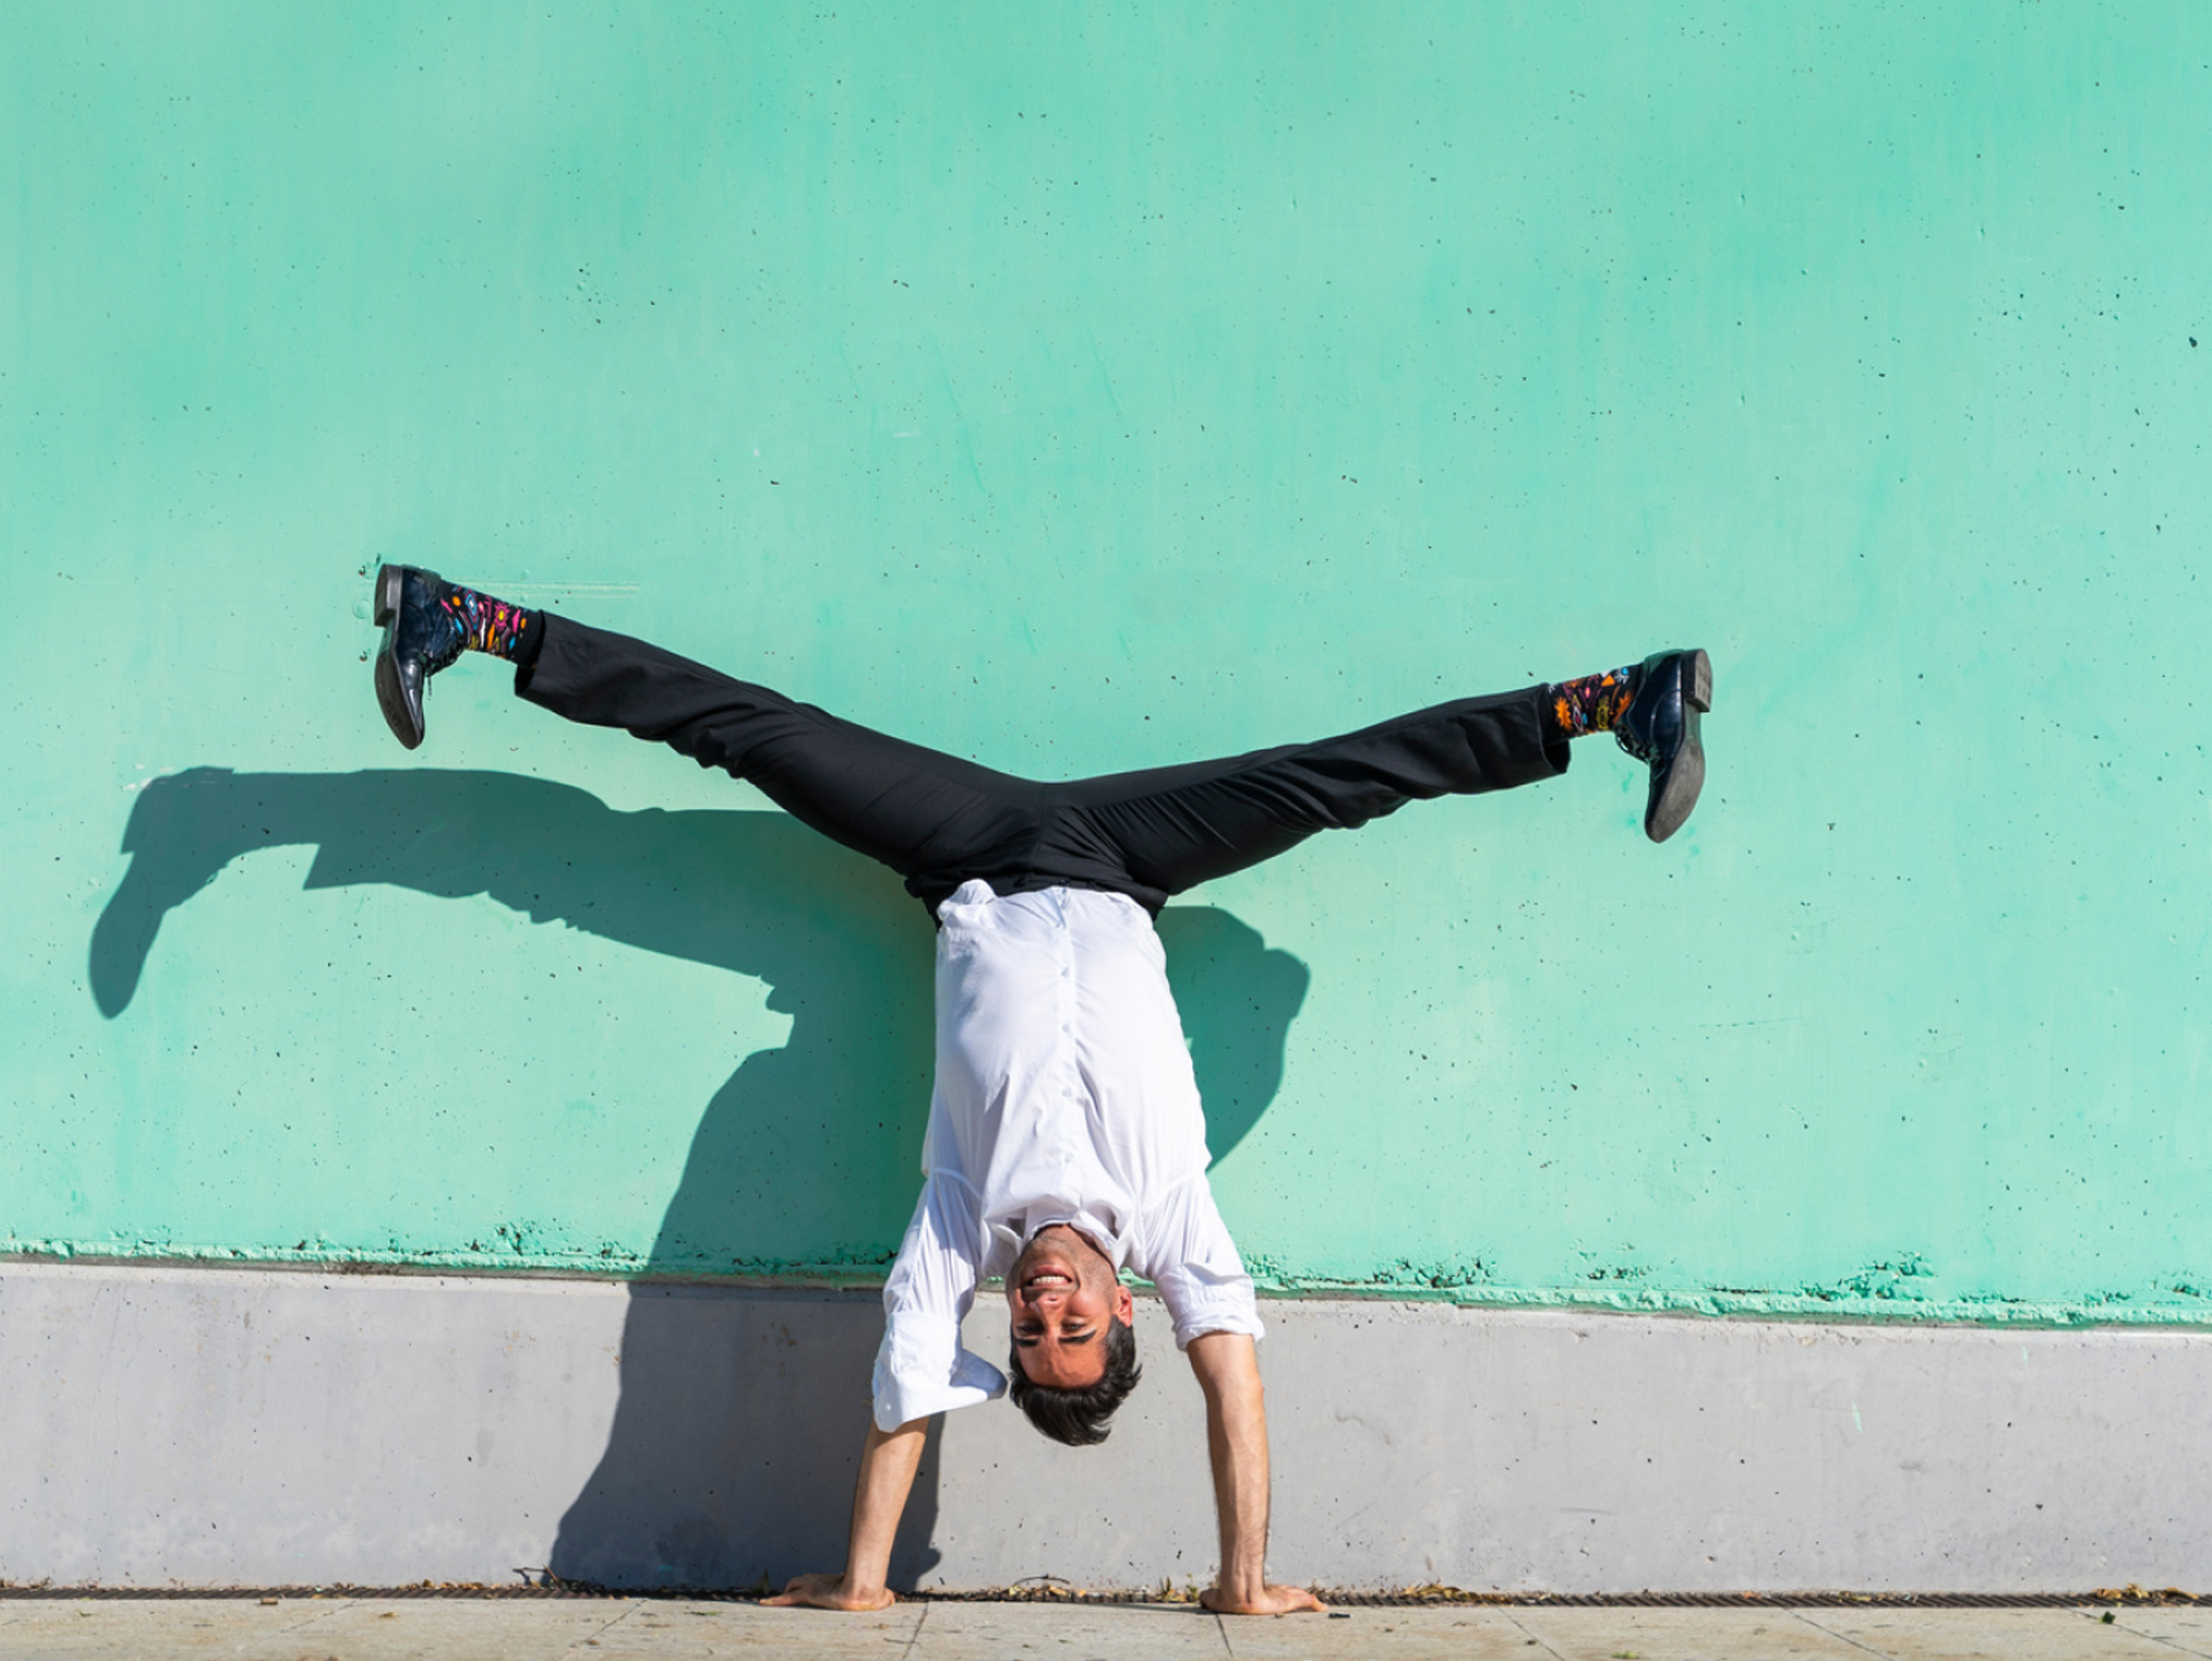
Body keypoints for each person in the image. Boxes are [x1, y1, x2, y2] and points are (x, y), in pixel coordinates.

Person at [368, 564, 1713, 1615]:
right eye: (1076, 1330)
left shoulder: (963, 1215)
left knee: (754, 736)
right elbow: (1236, 1386)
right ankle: (1620, 703)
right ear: (1133, 1308)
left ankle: (465, 621)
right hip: (1131, 856)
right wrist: (1242, 1580)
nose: (1049, 1311)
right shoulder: (1178, 1216)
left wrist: (864, 1584)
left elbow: (905, 1379)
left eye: (1031, 1336)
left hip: (974, 850)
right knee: (1340, 780)